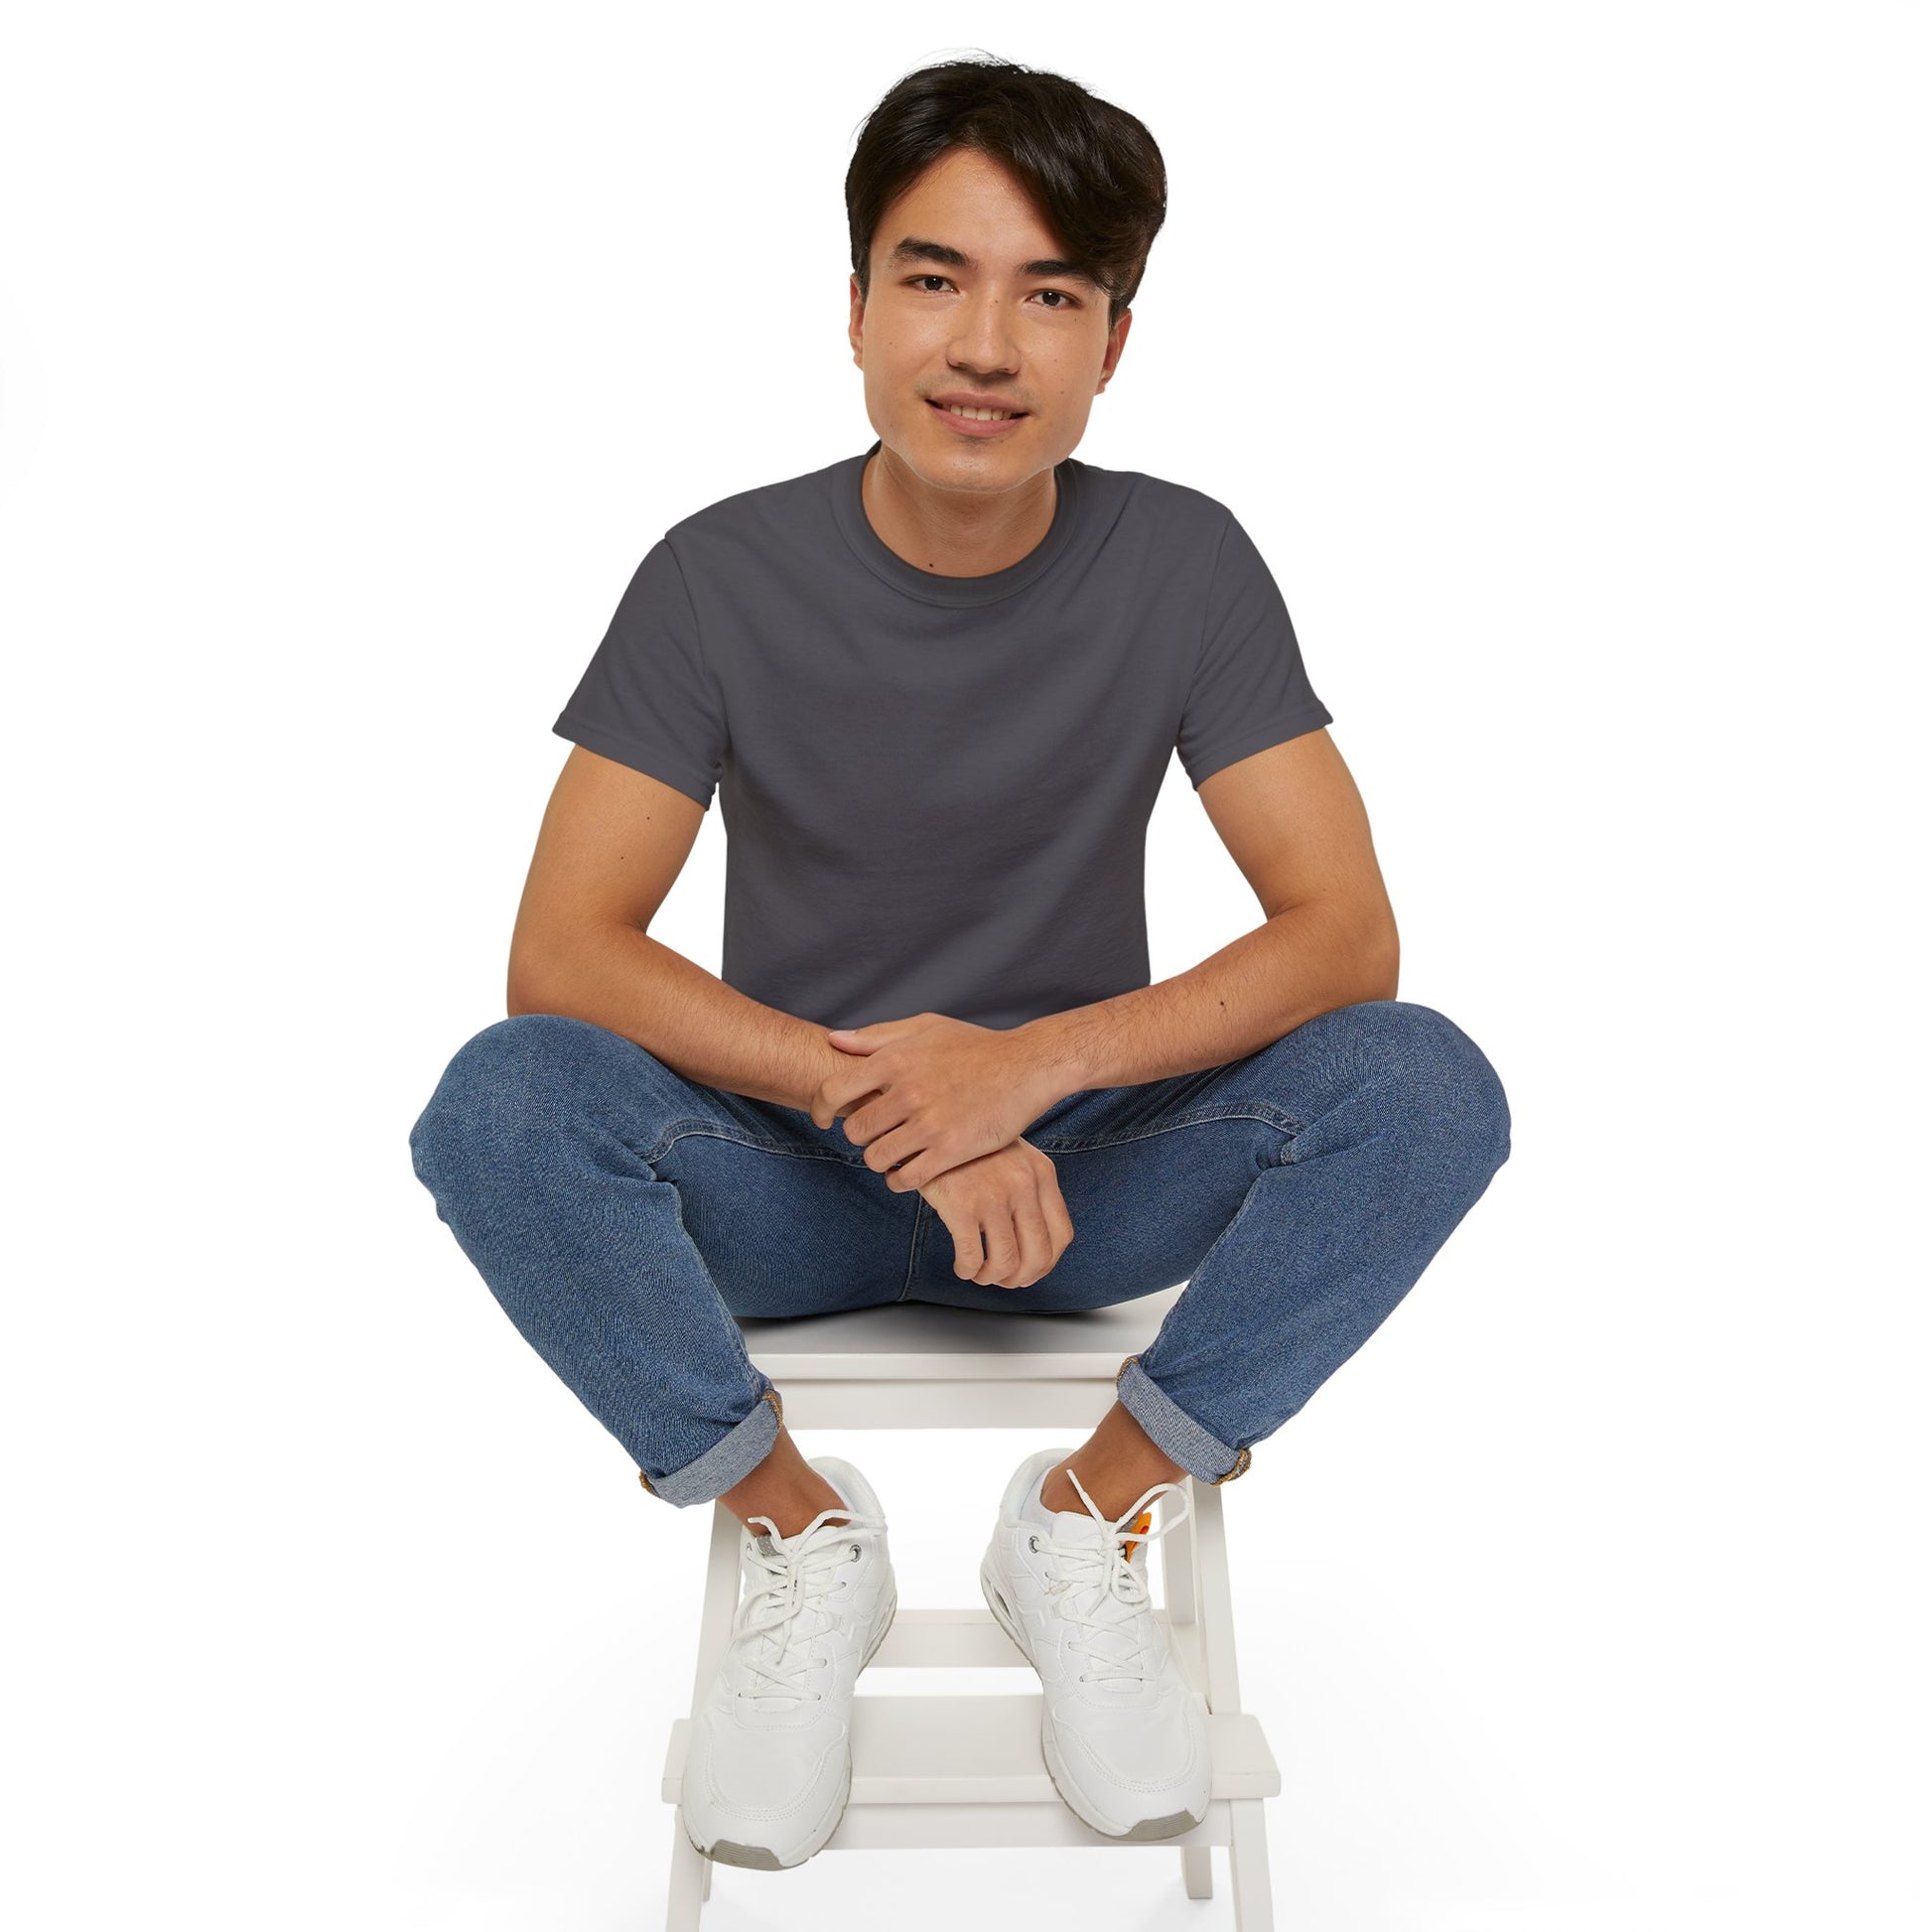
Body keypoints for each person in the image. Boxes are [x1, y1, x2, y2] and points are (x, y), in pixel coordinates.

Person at [408, 55, 1512, 1872]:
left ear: (1112, 344)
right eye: (934, 279)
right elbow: (563, 950)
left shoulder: (1185, 559)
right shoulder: (713, 572)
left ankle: (1084, 1515)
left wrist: (1031, 1069)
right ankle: (797, 1527)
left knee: (1423, 1082)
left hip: (1079, 1189)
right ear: (854, 308)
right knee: (501, 1105)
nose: (985, 346)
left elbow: (1343, 934)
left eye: (1050, 295)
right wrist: (894, 1096)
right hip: (790, 1182)